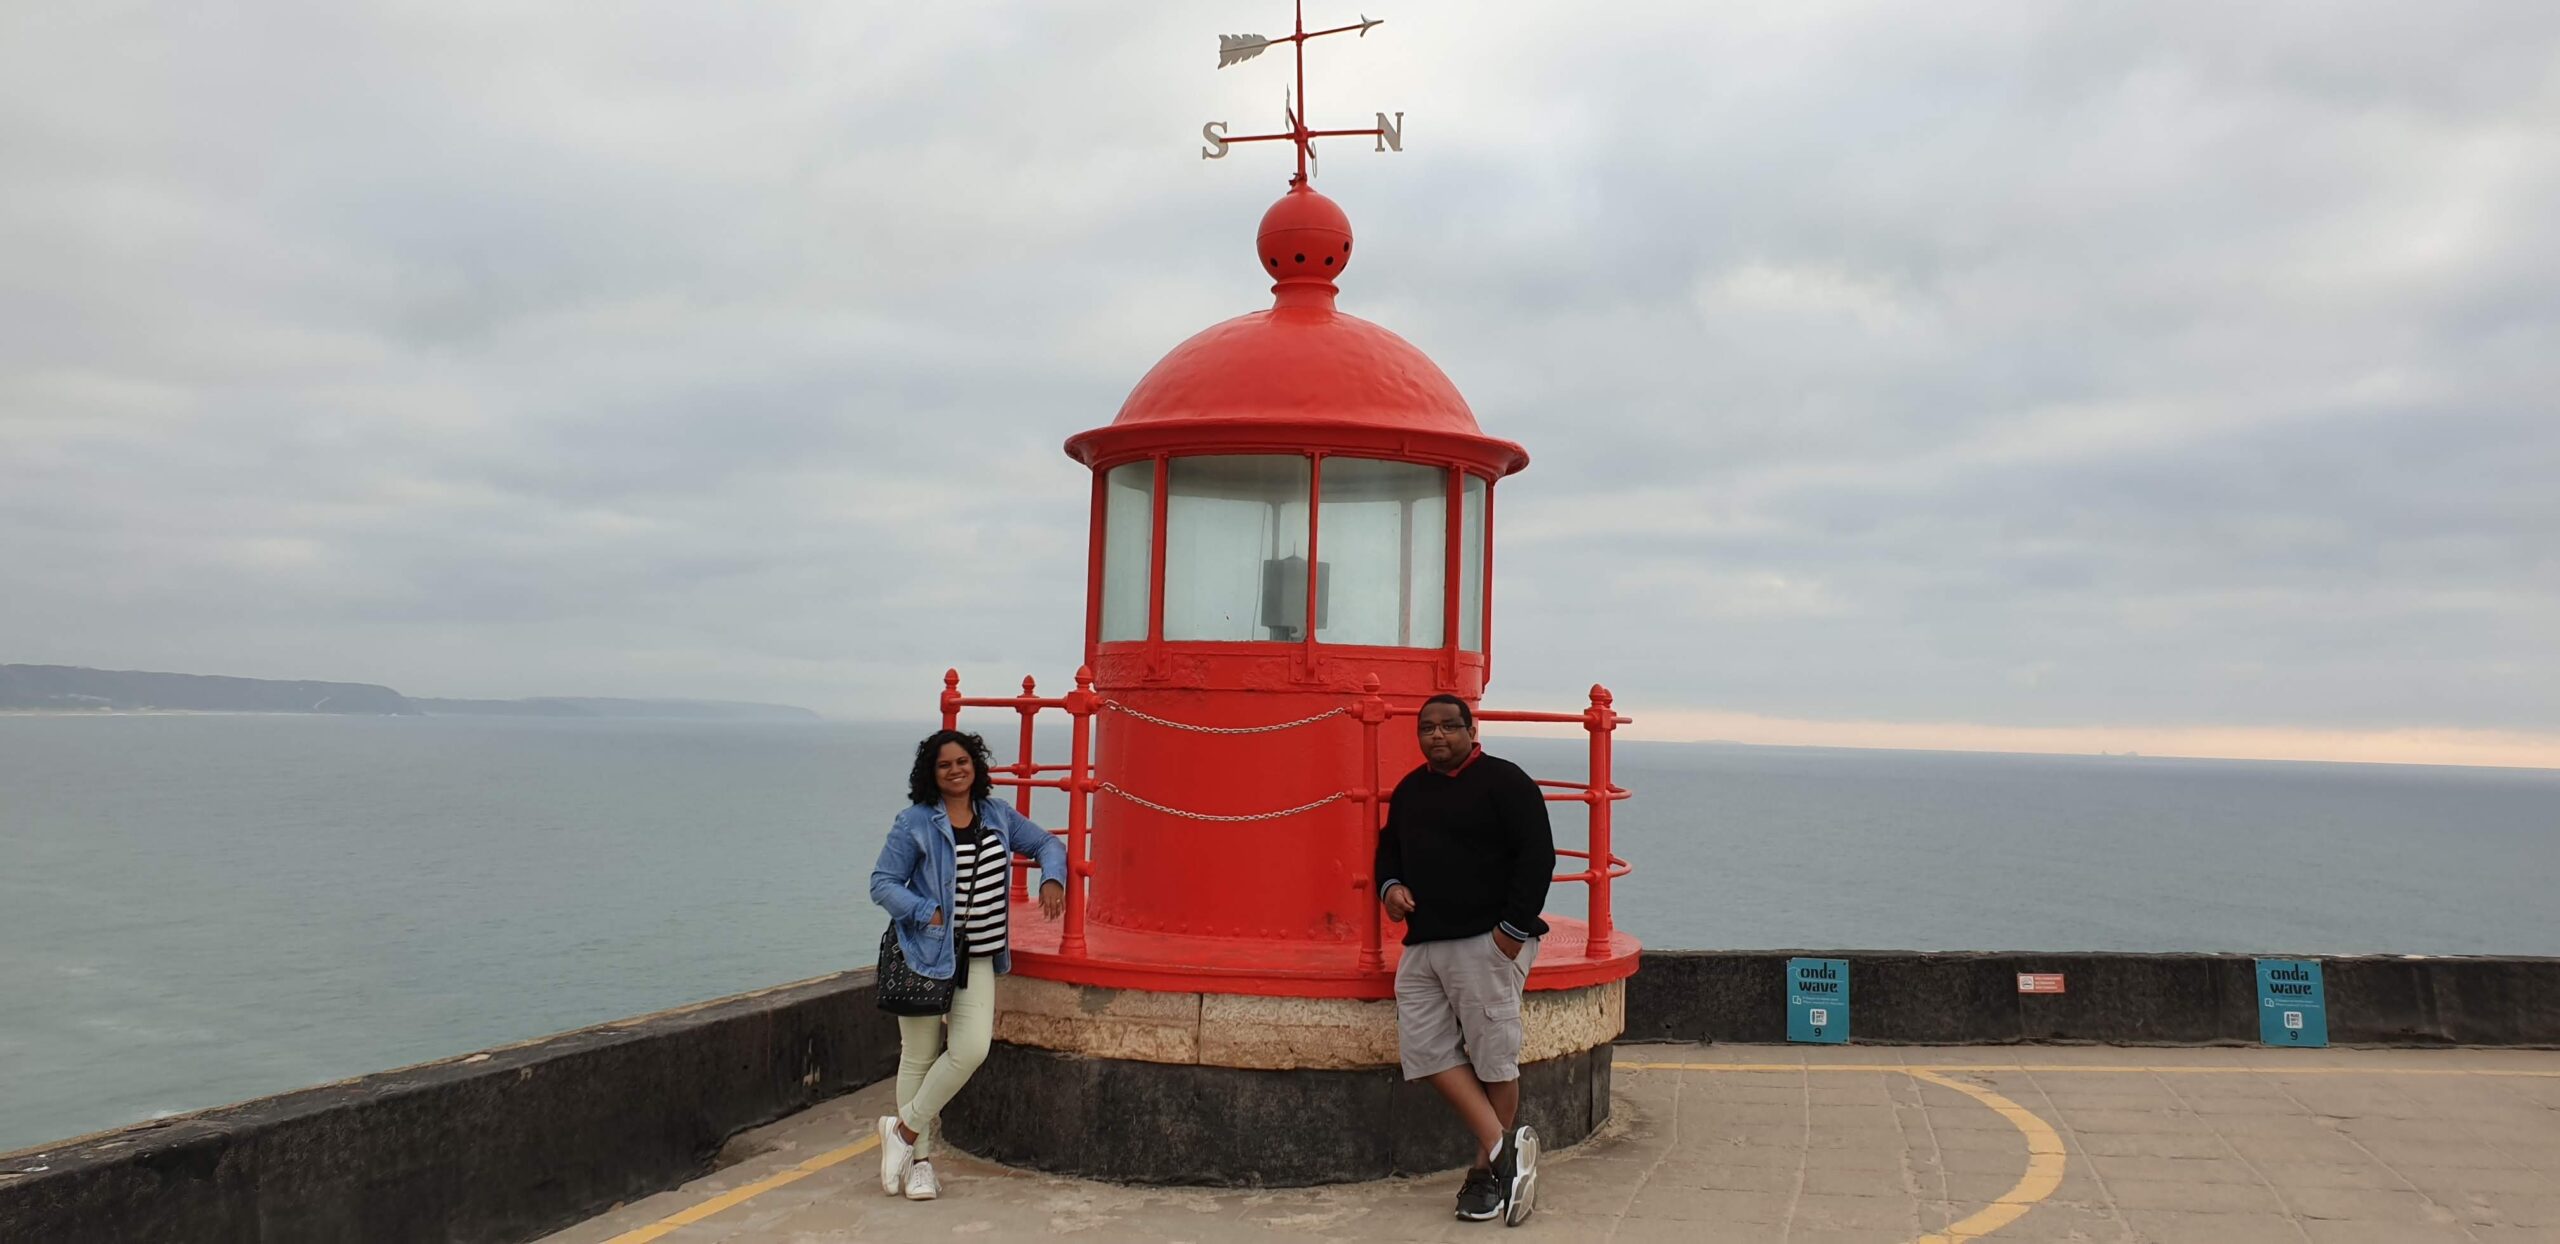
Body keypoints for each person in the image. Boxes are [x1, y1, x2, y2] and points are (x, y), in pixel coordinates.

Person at [1375, 693, 1555, 1226]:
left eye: (1449, 726)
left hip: (1487, 941)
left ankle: (1482, 1176)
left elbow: (1537, 855)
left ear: (1472, 730)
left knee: (1493, 1056)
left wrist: (1510, 933)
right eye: (1427, 727)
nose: (1437, 736)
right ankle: (1507, 1152)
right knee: (1426, 1054)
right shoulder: (1411, 790)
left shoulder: (1506, 782)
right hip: (1424, 942)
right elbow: (1389, 849)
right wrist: (1389, 887)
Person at [868, 728, 1068, 1201]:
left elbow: (1048, 845)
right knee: (917, 1056)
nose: (956, 770)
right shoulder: (914, 822)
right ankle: (919, 1165)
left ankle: (902, 1132)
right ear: (931, 774)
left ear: (975, 764)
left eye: (963, 761)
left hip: (978, 957)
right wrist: (924, 911)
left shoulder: (997, 815)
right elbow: (882, 882)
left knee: (971, 1049)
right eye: (944, 764)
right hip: (923, 953)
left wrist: (1052, 879)